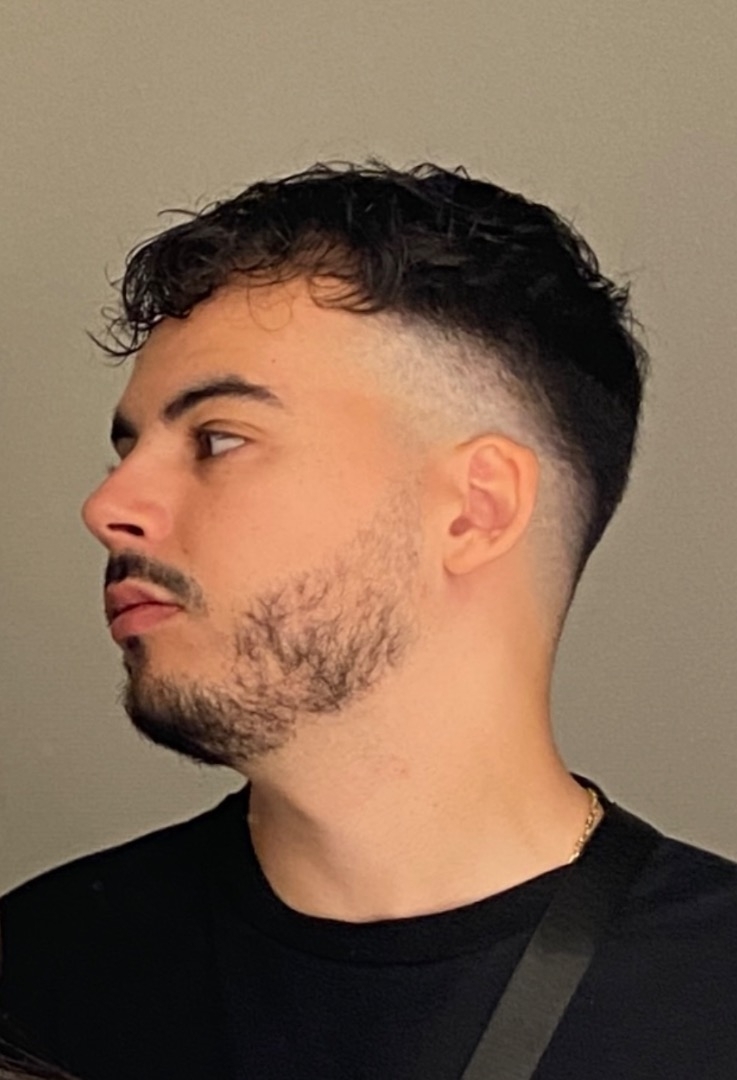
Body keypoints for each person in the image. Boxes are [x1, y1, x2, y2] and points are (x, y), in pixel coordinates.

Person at [0, 161, 735, 1080]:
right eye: (128, 451)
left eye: (217, 439)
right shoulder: (38, 983)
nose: (109, 507)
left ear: (473, 510)